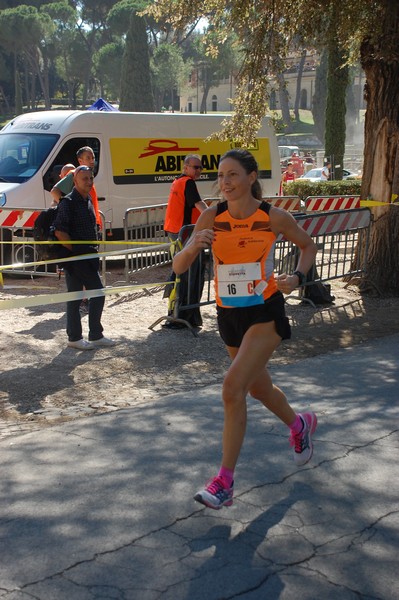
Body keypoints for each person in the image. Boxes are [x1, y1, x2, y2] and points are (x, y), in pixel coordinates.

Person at [172, 149, 318, 509]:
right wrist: (193, 245)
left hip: (265, 312)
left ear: (252, 177)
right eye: (221, 176)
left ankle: (224, 481)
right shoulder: (211, 216)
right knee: (258, 389)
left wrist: (297, 277)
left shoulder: (273, 217)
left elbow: (308, 245)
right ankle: (299, 425)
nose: (225, 183)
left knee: (232, 388)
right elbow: (177, 267)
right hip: (229, 315)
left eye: (233, 175)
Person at [54, 165, 115, 351]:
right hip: (78, 258)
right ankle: (91, 335)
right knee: (97, 292)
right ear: (75, 181)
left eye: (90, 178)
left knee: (75, 297)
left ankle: (78, 337)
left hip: (87, 256)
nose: (89, 182)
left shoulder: (86, 198)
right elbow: (59, 231)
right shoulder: (68, 202)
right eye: (84, 179)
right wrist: (75, 251)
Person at [163, 154, 208, 328]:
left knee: (179, 274)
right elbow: (199, 205)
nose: (198, 171)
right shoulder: (187, 183)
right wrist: (214, 217)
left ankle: (177, 314)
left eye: (200, 168)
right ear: (186, 167)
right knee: (189, 275)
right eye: (195, 167)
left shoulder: (178, 181)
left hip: (177, 233)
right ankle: (185, 315)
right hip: (185, 235)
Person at [51, 146, 102, 228]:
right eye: (88, 158)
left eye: (93, 157)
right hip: (80, 223)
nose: (92, 161)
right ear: (80, 161)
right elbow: (54, 191)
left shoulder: (89, 175)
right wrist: (68, 209)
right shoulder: (75, 174)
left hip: (91, 222)